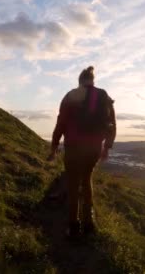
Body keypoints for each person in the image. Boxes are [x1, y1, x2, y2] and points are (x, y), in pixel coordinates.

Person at [47, 66, 116, 238]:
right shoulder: (103, 96)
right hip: (93, 148)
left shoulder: (71, 95)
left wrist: (54, 147)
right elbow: (112, 124)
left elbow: (61, 124)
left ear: (79, 81)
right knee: (86, 180)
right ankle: (89, 223)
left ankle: (73, 225)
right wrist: (107, 147)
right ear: (93, 81)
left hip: (73, 147)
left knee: (72, 183)